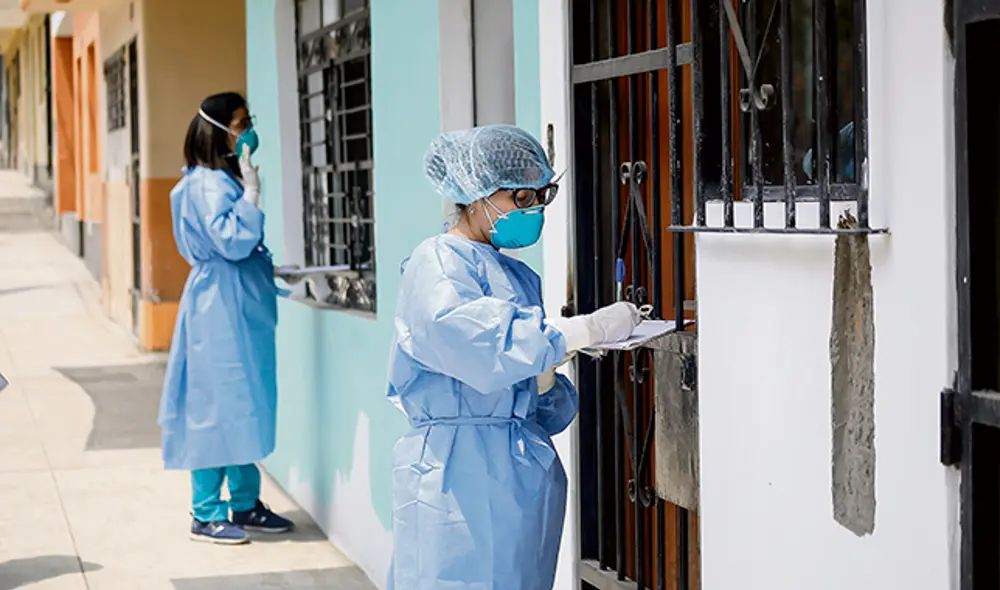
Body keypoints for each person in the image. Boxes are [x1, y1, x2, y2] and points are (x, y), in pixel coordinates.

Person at [386, 124, 642, 589]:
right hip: (454, 476)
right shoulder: (438, 261)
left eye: (543, 195)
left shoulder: (518, 276)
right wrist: (579, 330)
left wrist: (544, 381)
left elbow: (542, 406)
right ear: (475, 192)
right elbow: (466, 336)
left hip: (522, 474)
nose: (536, 209)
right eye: (521, 198)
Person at [158, 92, 294, 545]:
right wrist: (253, 193)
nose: (247, 128)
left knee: (244, 403)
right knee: (215, 406)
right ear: (218, 130)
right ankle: (206, 511)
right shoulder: (206, 185)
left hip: (239, 303)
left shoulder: (222, 180)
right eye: (240, 122)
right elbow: (232, 243)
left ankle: (244, 502)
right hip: (218, 308)